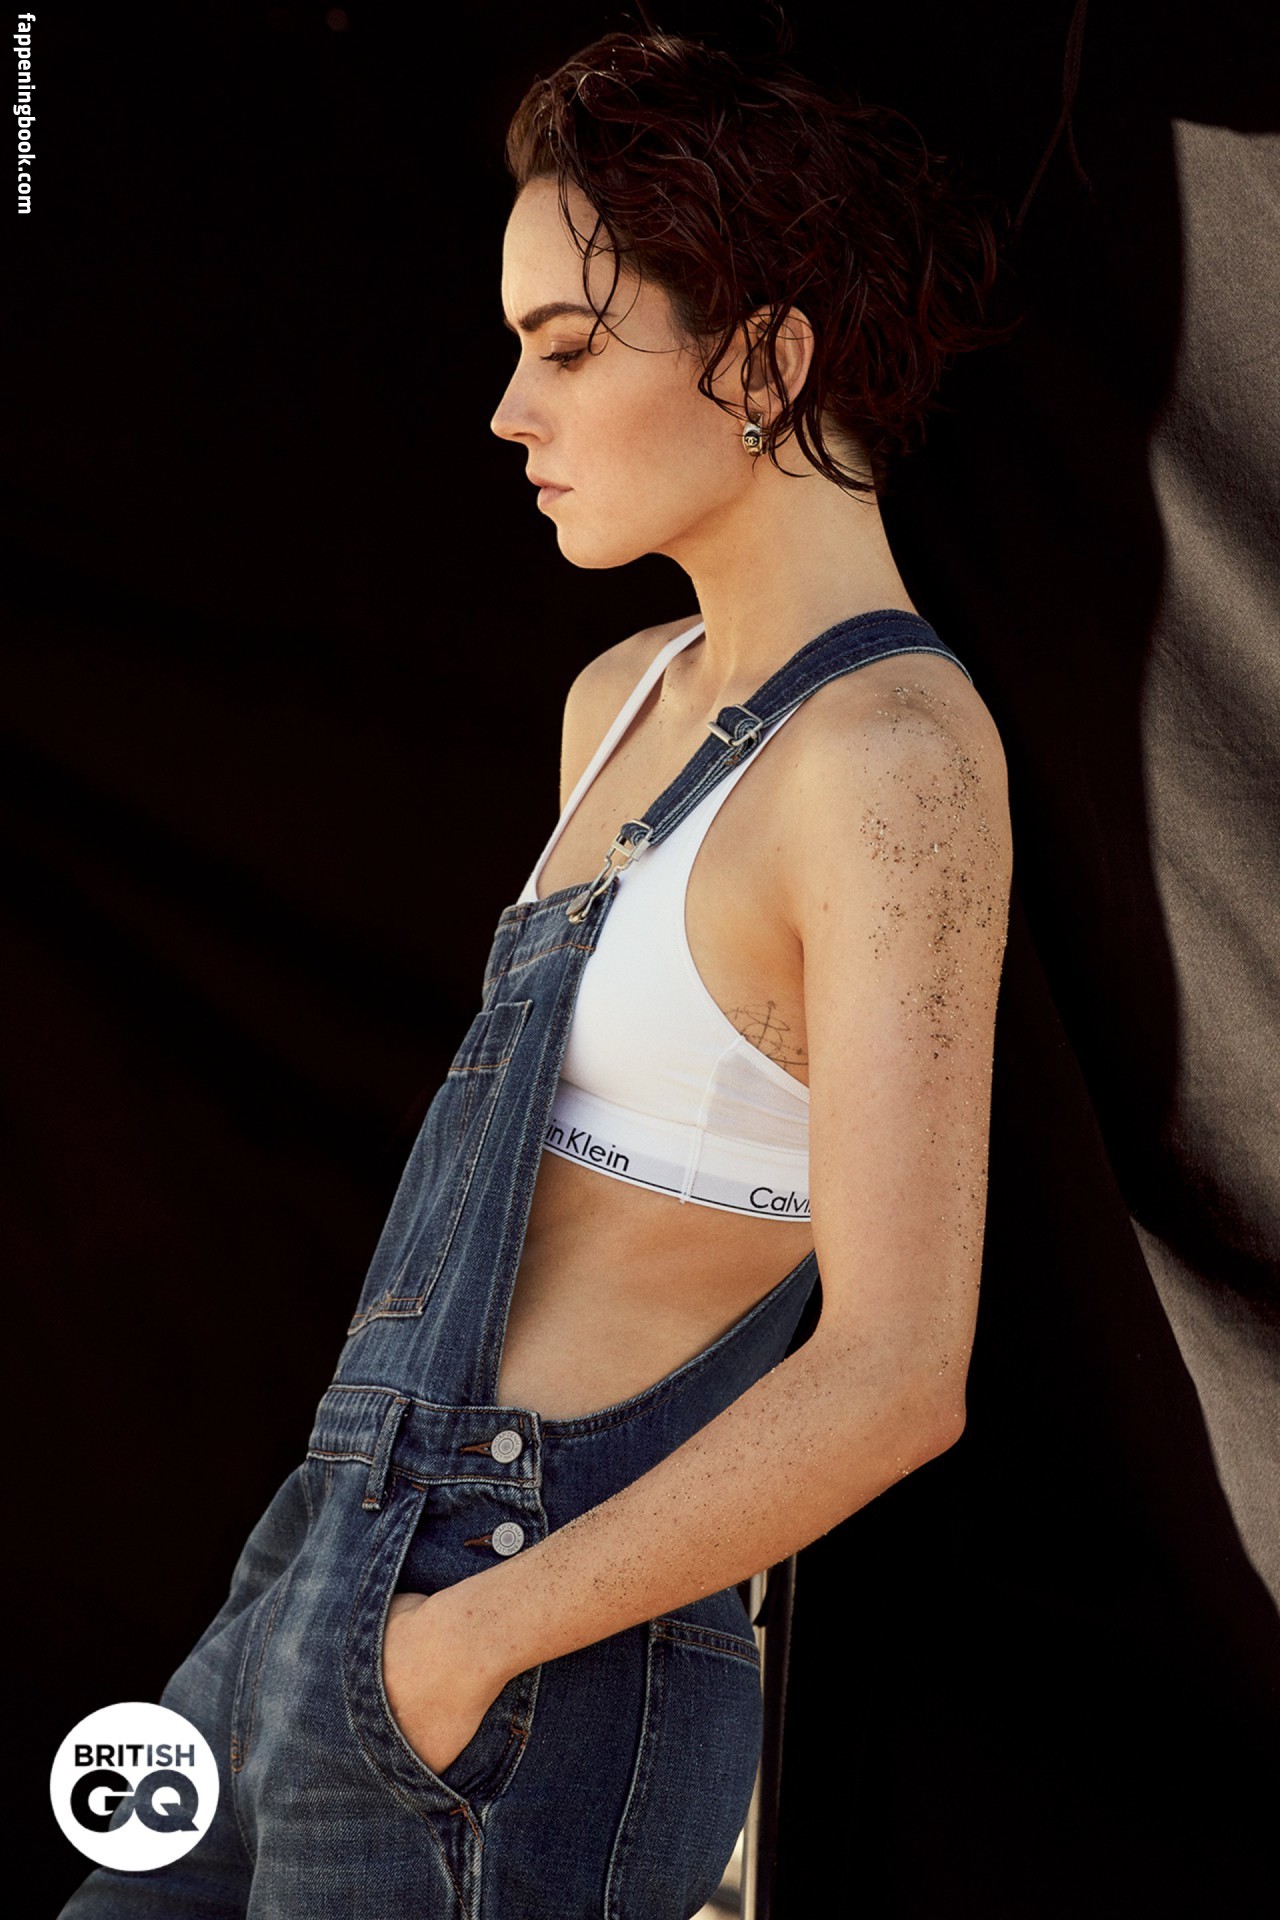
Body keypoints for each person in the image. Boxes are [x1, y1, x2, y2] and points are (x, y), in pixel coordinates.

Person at [61, 27, 1014, 1920]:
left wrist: (466, 1644)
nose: (509, 411)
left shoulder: (892, 766)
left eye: (568, 348)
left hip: (520, 1647)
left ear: (765, 362)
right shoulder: (621, 700)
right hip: (325, 1563)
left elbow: (901, 1373)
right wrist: (356, 1612)